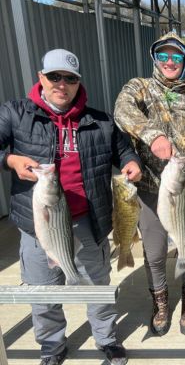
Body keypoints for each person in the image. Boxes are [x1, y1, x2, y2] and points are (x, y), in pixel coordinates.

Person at [0, 49, 141, 365]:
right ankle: (51, 345)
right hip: (39, 225)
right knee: (43, 294)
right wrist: (9, 159)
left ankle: (106, 338)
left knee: (97, 288)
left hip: (88, 223)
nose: (61, 84)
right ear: (41, 77)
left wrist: (131, 163)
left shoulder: (101, 121)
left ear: (78, 82)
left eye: (70, 78)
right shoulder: (15, 113)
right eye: (54, 76)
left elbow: (124, 151)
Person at [114, 32, 185, 336]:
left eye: (177, 56)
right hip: (149, 191)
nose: (170, 61)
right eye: (163, 55)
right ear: (155, 59)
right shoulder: (140, 89)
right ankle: (160, 303)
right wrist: (153, 135)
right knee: (155, 252)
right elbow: (121, 111)